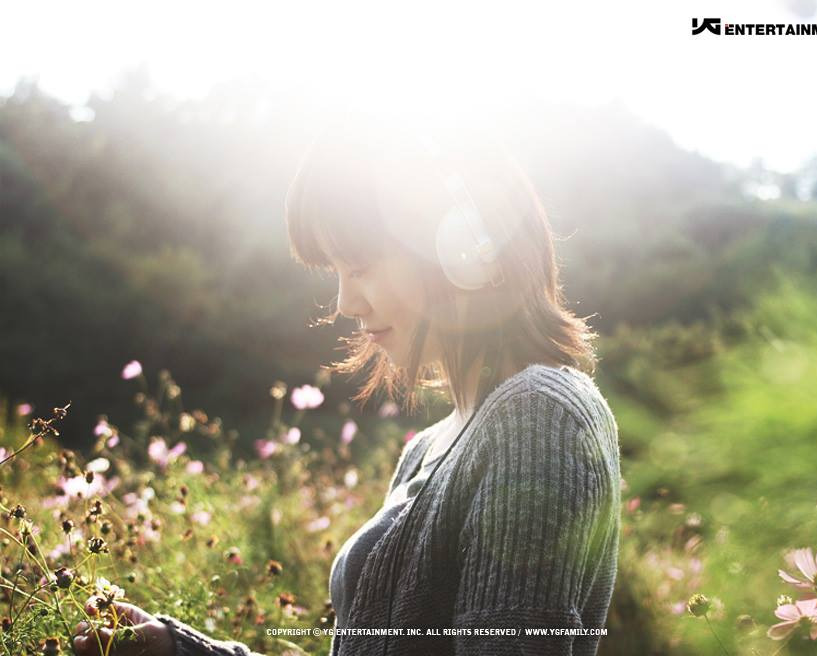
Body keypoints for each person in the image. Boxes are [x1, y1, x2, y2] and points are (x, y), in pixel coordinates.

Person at [73, 110, 622, 656]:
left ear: (463, 247)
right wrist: (181, 652)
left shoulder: (539, 418)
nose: (344, 303)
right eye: (336, 271)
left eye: (359, 267)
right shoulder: (430, 448)